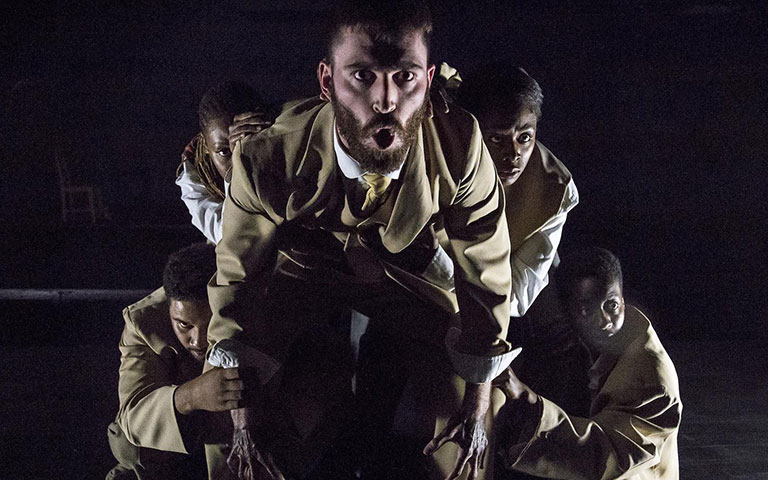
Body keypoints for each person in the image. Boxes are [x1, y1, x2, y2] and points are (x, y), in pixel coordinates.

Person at [206, 1, 517, 478]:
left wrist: (479, 402)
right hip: (302, 281)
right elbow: (237, 282)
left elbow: (486, 270)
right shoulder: (268, 155)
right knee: (240, 439)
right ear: (327, 82)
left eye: (405, 77)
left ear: (429, 80)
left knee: (468, 439)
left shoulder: (460, 145)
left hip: (408, 282)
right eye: (363, 77)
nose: (386, 100)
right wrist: (244, 421)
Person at [493, 248, 682, 480]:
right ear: (568, 312)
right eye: (587, 309)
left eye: (611, 304)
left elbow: (608, 459)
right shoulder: (580, 343)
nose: (603, 320)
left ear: (622, 300)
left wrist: (527, 398)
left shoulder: (653, 380)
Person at [447, 62, 579, 319]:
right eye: (496, 139)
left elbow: (517, 297)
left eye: (525, 137)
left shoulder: (555, 191)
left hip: (499, 309)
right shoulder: (436, 162)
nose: (514, 154)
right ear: (467, 131)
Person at [106, 243, 245, 480]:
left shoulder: (243, 302)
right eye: (184, 325)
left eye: (210, 323)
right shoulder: (143, 322)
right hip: (176, 447)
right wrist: (192, 395)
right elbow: (132, 415)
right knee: (128, 449)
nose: (198, 341)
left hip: (236, 441)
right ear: (168, 305)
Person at [176, 81, 271, 244]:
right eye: (224, 152)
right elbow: (231, 237)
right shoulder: (194, 175)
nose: (237, 159)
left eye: (246, 142)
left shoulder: (279, 140)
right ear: (206, 146)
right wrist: (236, 178)